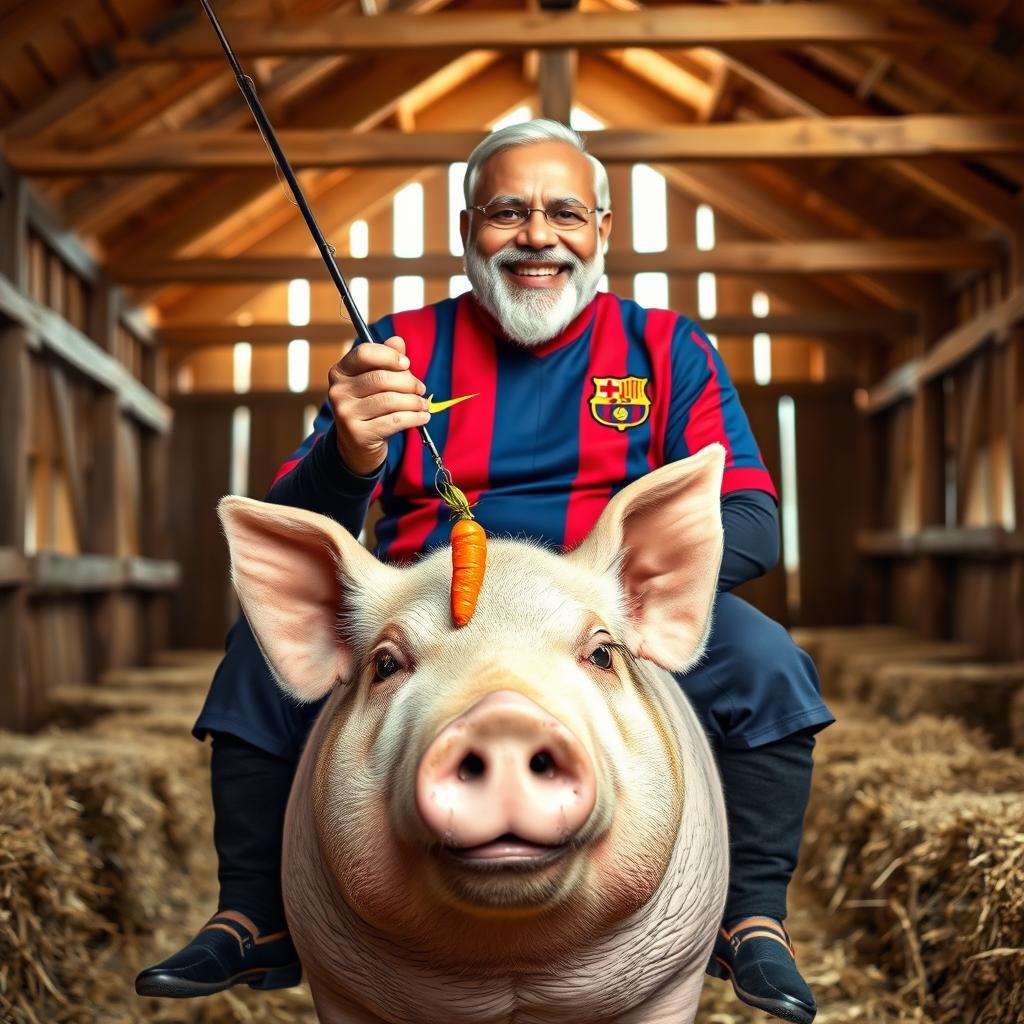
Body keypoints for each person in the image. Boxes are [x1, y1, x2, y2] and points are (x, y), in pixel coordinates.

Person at [136, 119, 833, 1023]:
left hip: (593, 601)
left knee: (768, 663)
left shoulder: (669, 350)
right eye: (507, 211)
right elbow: (307, 522)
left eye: (564, 213)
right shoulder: (394, 350)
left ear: (603, 231)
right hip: (427, 598)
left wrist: (612, 588)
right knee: (257, 658)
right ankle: (255, 912)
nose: (537, 234)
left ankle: (752, 919)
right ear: (468, 229)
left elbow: (747, 518)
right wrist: (349, 451)